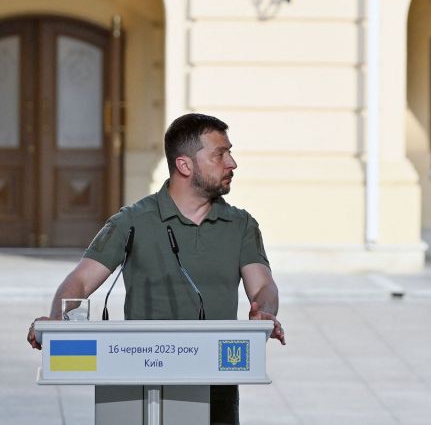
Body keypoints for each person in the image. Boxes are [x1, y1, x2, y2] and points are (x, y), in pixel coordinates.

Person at [27, 113, 285, 425]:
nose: (232, 163)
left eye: (229, 152)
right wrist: (57, 321)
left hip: (215, 379)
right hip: (140, 380)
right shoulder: (132, 221)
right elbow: (81, 281)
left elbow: (262, 286)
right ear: (185, 165)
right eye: (220, 154)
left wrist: (265, 311)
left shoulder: (241, 224)